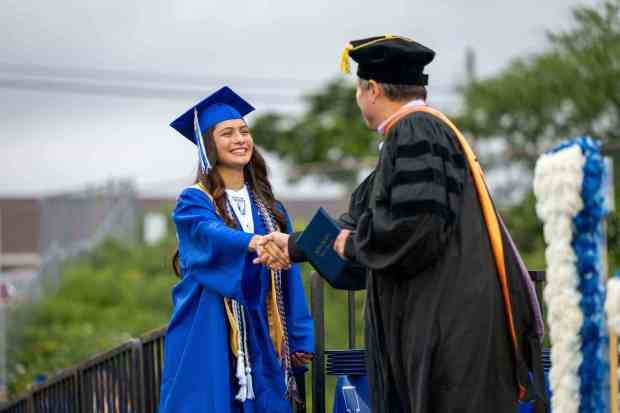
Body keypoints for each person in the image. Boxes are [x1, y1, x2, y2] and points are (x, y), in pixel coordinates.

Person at [256, 36, 546, 413]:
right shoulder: (418, 134)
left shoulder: (415, 132)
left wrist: (352, 245)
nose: (359, 99)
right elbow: (367, 218)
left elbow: (412, 228)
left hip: (447, 330)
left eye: (360, 90)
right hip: (443, 323)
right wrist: (294, 245)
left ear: (373, 90)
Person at [158, 86, 314, 413]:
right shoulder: (194, 200)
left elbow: (290, 276)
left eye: (244, 131)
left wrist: (300, 337)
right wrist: (252, 242)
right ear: (208, 146)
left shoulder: (271, 209)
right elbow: (209, 234)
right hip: (210, 326)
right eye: (227, 133)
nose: (240, 139)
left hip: (264, 327)